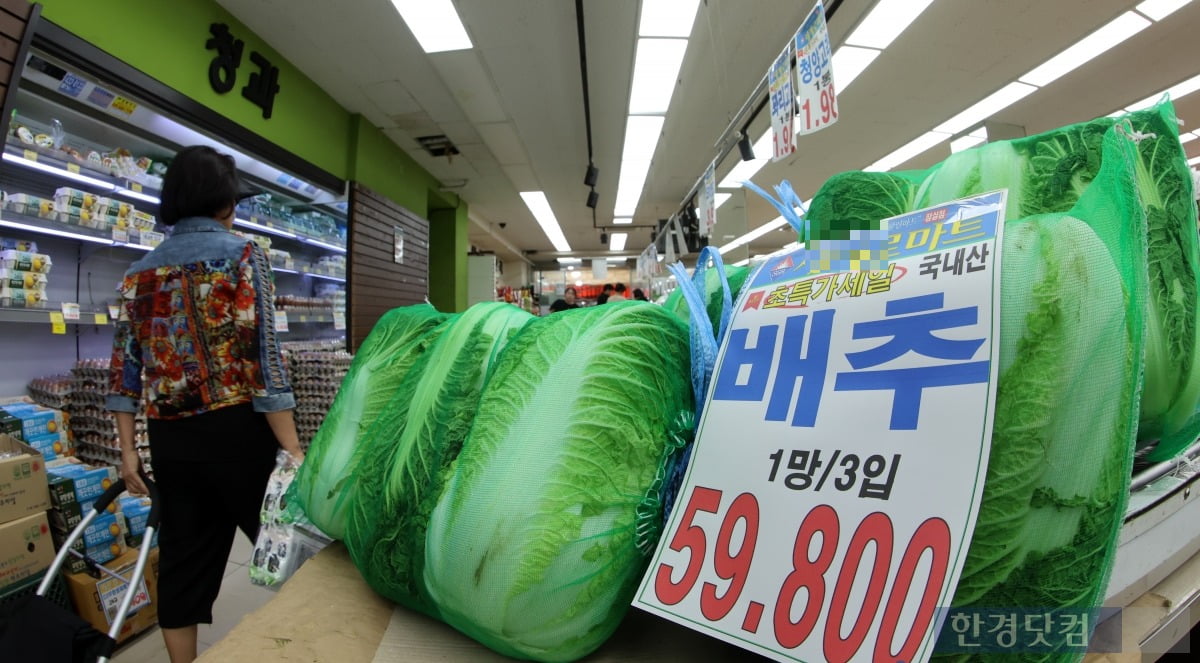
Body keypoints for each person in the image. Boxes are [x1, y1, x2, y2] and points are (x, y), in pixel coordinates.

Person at [106, 146, 303, 663]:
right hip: (238, 432)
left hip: (170, 440)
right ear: (223, 201)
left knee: (183, 561)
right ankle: (309, 647)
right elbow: (262, 359)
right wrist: (294, 450)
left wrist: (129, 454)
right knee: (289, 548)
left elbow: (124, 373)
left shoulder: (138, 274)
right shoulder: (243, 255)